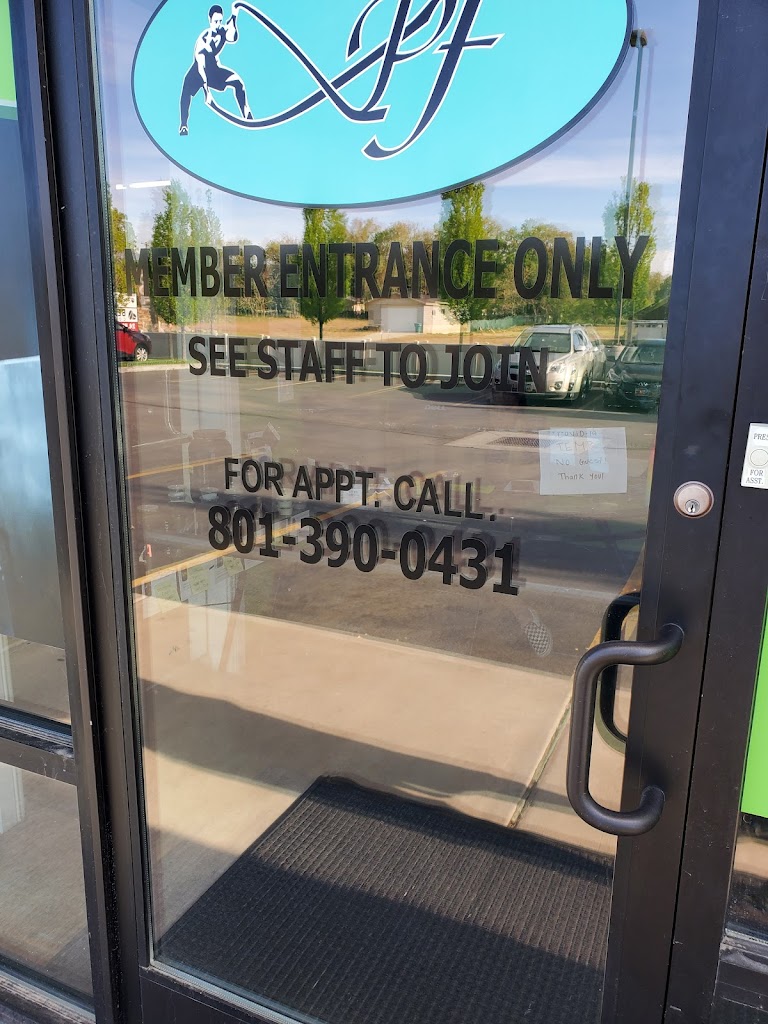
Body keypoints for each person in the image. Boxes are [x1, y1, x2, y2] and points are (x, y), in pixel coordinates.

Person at [179, 4, 253, 135]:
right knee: (186, 92)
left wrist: (234, 16)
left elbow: (233, 36)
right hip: (198, 73)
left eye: (220, 21)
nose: (218, 24)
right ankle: (183, 125)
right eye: (215, 21)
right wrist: (207, 93)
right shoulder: (203, 41)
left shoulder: (222, 31)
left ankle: (247, 116)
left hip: (214, 70)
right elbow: (201, 67)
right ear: (210, 20)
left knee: (238, 82)